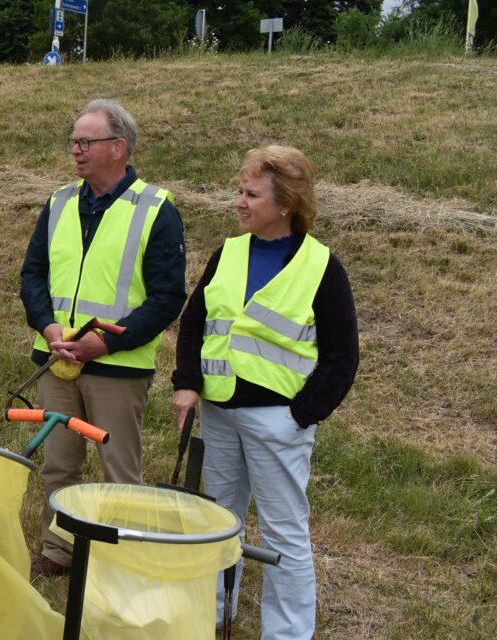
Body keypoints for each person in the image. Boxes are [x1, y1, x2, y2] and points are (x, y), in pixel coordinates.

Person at [171, 146, 358, 639]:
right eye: (240, 190)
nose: (239, 201)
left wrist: (300, 415)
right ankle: (212, 612)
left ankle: (288, 633)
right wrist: (188, 384)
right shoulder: (228, 253)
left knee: (283, 534)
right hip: (219, 413)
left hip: (278, 422)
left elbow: (343, 357)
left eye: (251, 194)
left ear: (286, 204)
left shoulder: (322, 267)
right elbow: (194, 325)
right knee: (216, 519)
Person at [19, 99, 187, 577]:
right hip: (56, 360)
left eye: (85, 141)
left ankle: (119, 562)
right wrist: (47, 326)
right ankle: (60, 552)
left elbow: (167, 296)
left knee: (119, 473)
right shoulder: (58, 202)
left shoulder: (156, 208)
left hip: (116, 366)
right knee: (59, 465)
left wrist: (107, 343)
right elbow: (33, 276)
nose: (76, 150)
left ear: (118, 147)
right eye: (73, 141)